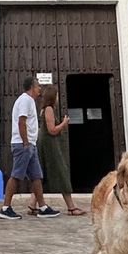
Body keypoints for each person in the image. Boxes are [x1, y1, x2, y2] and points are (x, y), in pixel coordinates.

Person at [0, 75, 58, 219]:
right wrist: (25, 142)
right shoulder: (25, 100)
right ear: (32, 87)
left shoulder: (29, 101)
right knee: (16, 175)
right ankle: (5, 208)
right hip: (23, 144)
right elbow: (22, 121)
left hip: (30, 144)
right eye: (38, 86)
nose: (40, 89)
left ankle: (43, 207)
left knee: (36, 176)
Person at [37, 83, 82, 215]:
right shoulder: (49, 109)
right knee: (61, 173)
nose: (57, 98)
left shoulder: (44, 109)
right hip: (50, 146)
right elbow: (52, 130)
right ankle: (71, 207)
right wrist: (64, 123)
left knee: (40, 175)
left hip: (46, 144)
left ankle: (32, 205)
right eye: (56, 95)